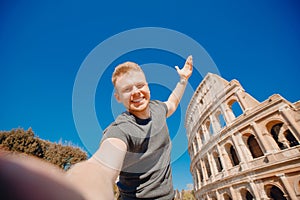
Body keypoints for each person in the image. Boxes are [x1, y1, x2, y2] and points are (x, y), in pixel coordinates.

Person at [66, 55, 193, 200]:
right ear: (118, 97)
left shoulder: (158, 108)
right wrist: (84, 184)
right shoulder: (122, 129)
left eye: (140, 85)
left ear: (148, 88)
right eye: (127, 89)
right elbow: (103, 164)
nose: (136, 92)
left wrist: (183, 80)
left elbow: (172, 103)